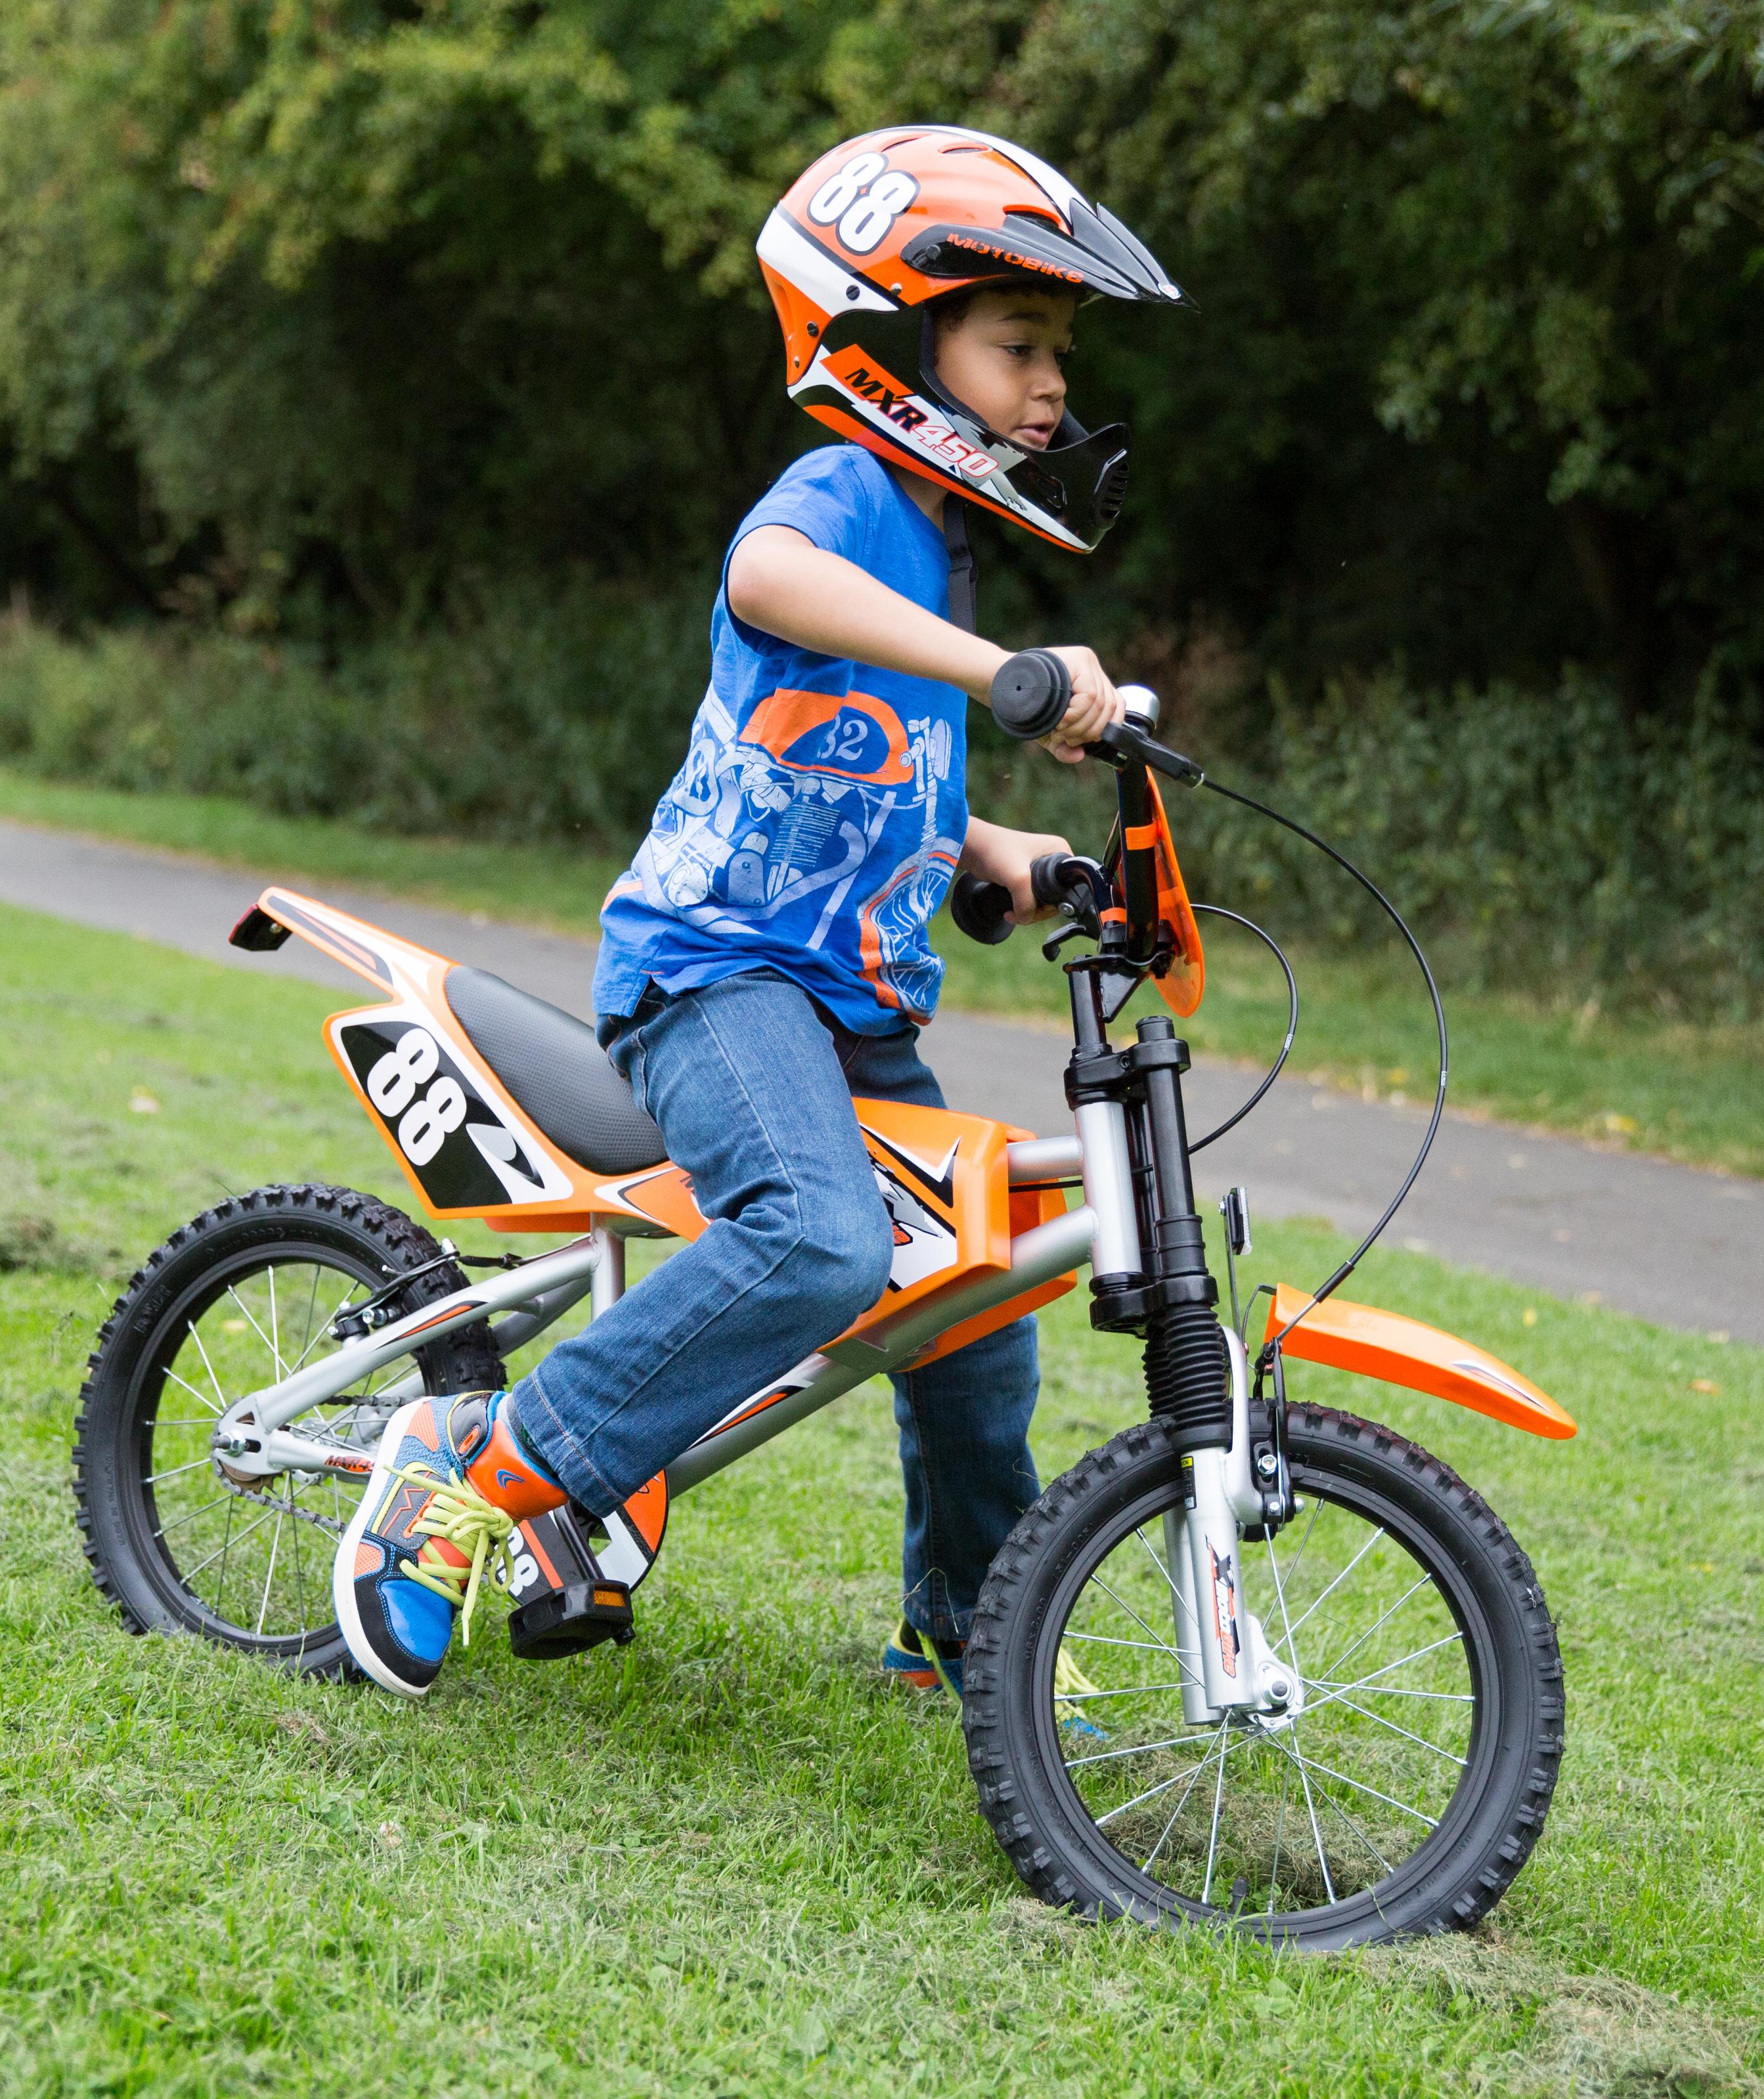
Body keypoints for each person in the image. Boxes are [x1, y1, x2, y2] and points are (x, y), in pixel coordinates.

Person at [330, 124, 1187, 1698]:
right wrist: (997, 675)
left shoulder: (936, 551)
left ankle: (964, 1640)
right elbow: (772, 580)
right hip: (714, 975)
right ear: (892, 344)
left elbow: (867, 761)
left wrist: (994, 842)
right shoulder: (846, 491)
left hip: (853, 1007)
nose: (1052, 386)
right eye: (1019, 346)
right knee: (817, 1241)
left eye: (1058, 352)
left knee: (978, 1301)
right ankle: (478, 1468)